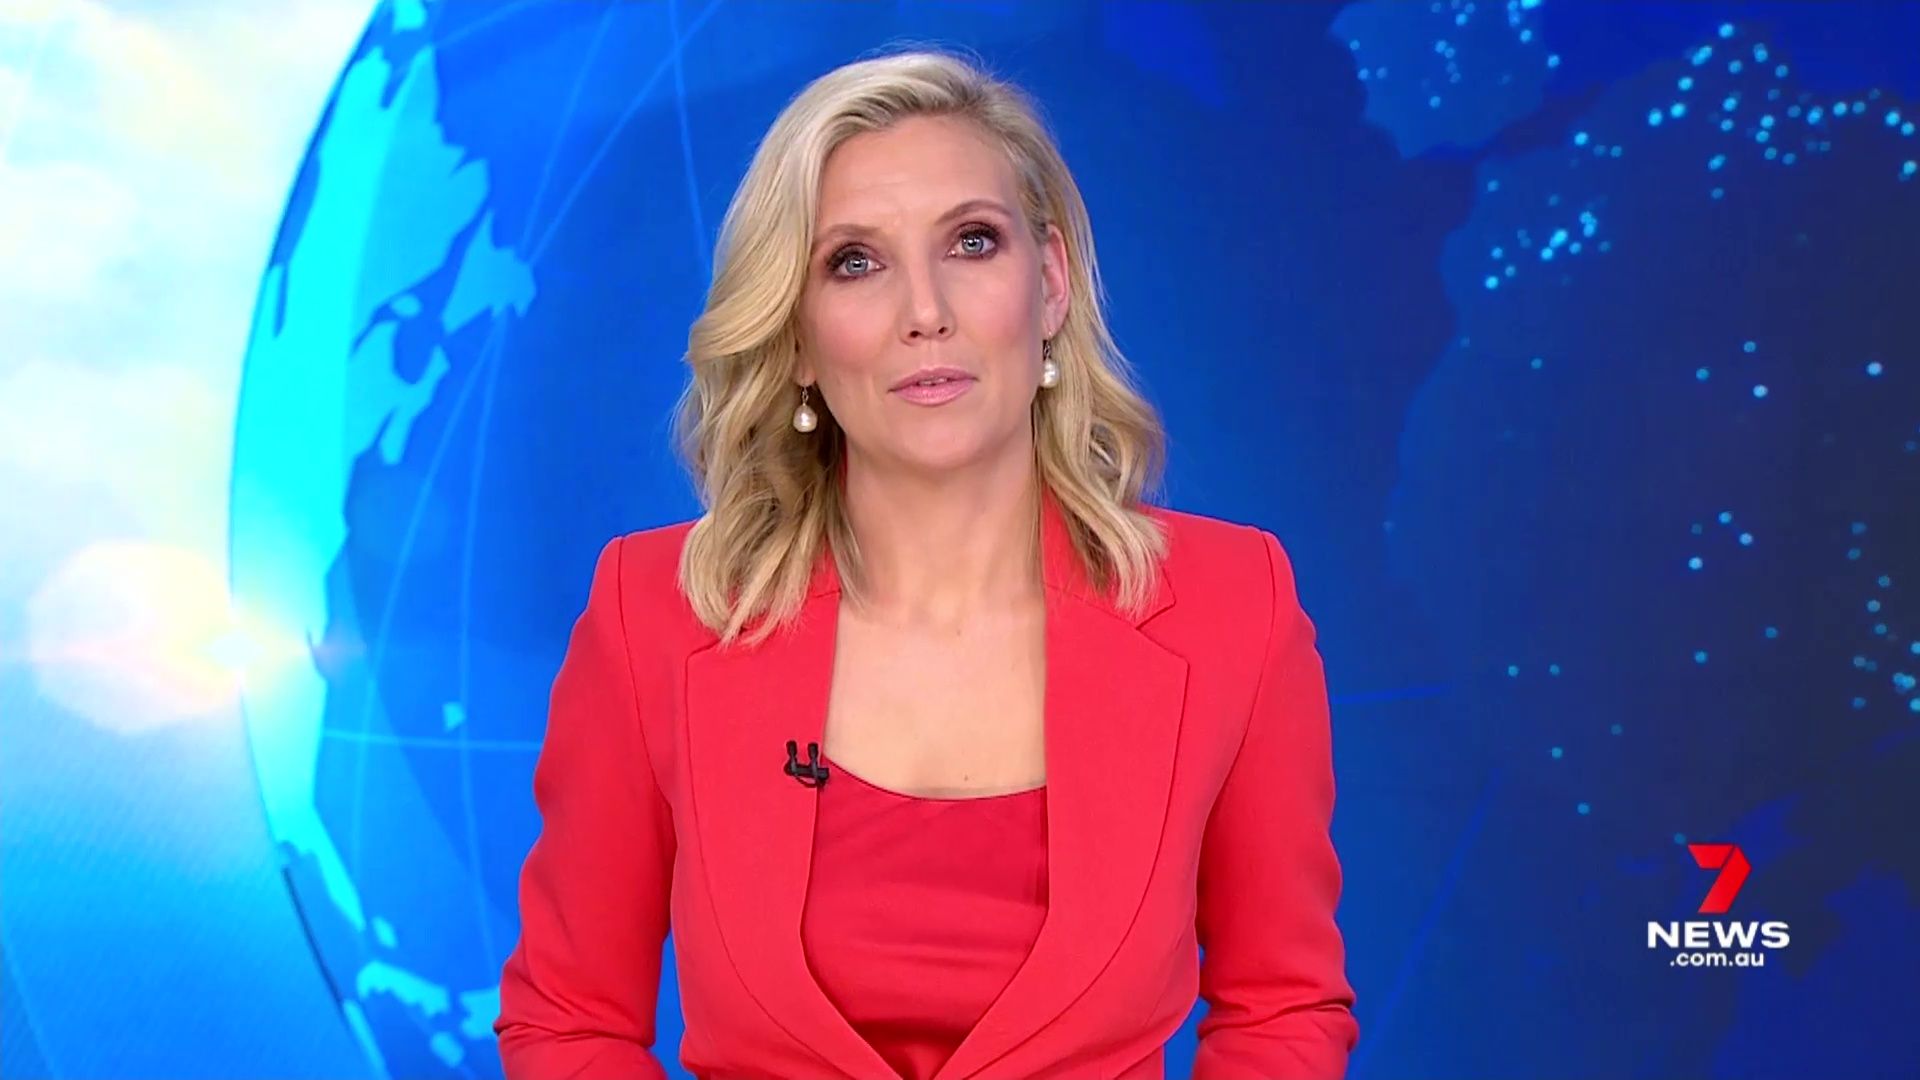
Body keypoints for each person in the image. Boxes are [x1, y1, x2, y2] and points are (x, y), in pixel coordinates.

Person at [494, 44, 1358, 1080]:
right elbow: (571, 1023)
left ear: (1050, 285)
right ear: (798, 337)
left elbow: (1281, 1008)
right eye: (855, 262)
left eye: (972, 243)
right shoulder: (657, 615)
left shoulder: (1233, 607)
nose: (926, 310)